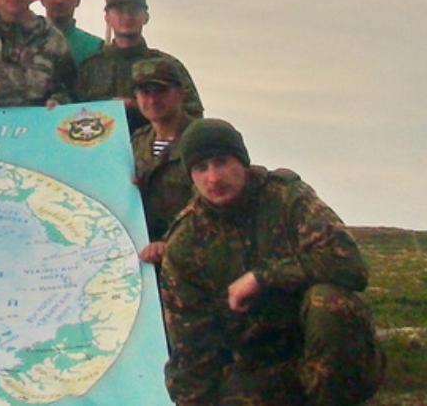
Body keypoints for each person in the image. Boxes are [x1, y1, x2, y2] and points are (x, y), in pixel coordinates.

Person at [160, 119, 384, 406]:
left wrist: (262, 277)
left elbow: (348, 264)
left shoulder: (287, 198)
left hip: (319, 349)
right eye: (201, 168)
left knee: (327, 303)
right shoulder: (185, 242)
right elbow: (190, 344)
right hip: (258, 365)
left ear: (242, 162)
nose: (213, 178)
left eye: (221, 162)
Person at [75, 0, 203, 132]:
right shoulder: (89, 68)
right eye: (119, 11)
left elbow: (194, 118)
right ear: (107, 18)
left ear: (146, 17)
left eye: (134, 10)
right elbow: (70, 116)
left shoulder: (168, 67)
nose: (127, 16)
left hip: (153, 152)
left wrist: (141, 107)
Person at [129, 57, 195, 265]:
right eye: (145, 92)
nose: (152, 100)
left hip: (189, 256)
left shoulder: (199, 140)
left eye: (160, 91)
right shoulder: (136, 142)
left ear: (180, 94)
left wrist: (169, 243)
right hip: (142, 257)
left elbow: (208, 205)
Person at [40, 0, 105, 65]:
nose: (59, 0)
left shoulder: (95, 47)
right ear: (42, 0)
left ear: (78, 0)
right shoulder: (25, 43)